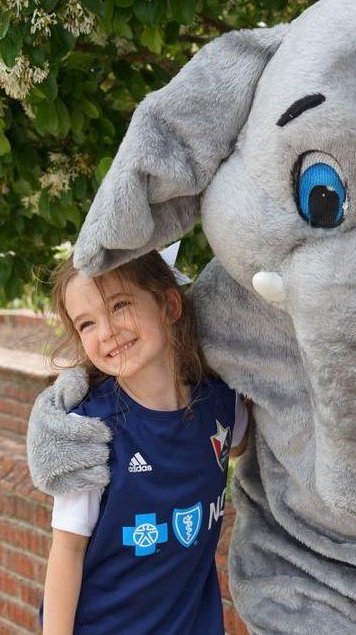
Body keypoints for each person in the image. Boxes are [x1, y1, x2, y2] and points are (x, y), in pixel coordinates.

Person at [39, 249, 247, 634]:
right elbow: (67, 550)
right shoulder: (88, 431)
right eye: (86, 324)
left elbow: (242, 444)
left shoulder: (222, 403)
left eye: (119, 305)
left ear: (169, 304)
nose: (106, 332)